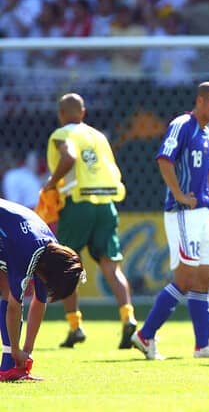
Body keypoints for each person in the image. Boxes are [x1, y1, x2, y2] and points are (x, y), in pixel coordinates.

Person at [131, 81, 209, 360]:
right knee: (186, 278)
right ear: (200, 100)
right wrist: (178, 194)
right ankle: (145, 335)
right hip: (183, 212)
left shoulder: (206, 132)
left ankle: (203, 346)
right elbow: (164, 158)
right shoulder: (182, 125)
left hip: (203, 212)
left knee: (203, 278)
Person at [44, 93, 137, 349]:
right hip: (106, 205)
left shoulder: (62, 134)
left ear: (61, 115)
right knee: (112, 267)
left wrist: (51, 183)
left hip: (77, 203)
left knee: (67, 265)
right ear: (83, 113)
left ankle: (75, 326)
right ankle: (128, 318)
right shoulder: (99, 136)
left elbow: (69, 157)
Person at [0, 199, 84, 380]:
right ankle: (9, 361)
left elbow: (39, 301)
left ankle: (8, 367)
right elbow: (14, 307)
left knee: (7, 287)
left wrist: (27, 350)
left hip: (8, 234)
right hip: (12, 235)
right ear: (51, 274)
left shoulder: (51, 254)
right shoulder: (28, 253)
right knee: (9, 291)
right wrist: (16, 349)